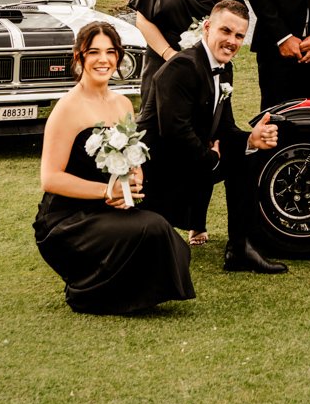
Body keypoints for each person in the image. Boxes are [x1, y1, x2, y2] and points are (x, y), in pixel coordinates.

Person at [34, 22, 195, 314]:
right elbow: (50, 179)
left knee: (165, 233)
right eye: (93, 52)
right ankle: (87, 292)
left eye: (111, 52)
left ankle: (128, 291)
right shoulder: (67, 109)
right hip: (68, 218)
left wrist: (134, 176)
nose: (103, 59)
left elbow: (133, 157)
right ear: (78, 56)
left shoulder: (123, 104)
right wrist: (106, 190)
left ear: (119, 57)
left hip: (110, 207)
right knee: (152, 227)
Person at [136, 0, 287, 274]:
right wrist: (212, 159)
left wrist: (250, 140)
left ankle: (241, 249)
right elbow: (174, 131)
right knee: (235, 160)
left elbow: (224, 128)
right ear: (207, 28)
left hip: (190, 155)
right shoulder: (182, 67)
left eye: (239, 36)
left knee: (248, 158)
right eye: (226, 31)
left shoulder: (223, 67)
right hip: (157, 170)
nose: (232, 41)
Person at [129, 0, 241, 246]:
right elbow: (143, 20)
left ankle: (197, 221)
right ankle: (152, 217)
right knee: (162, 141)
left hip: (207, 71)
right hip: (163, 67)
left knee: (205, 137)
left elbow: (235, 19)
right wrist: (170, 55)